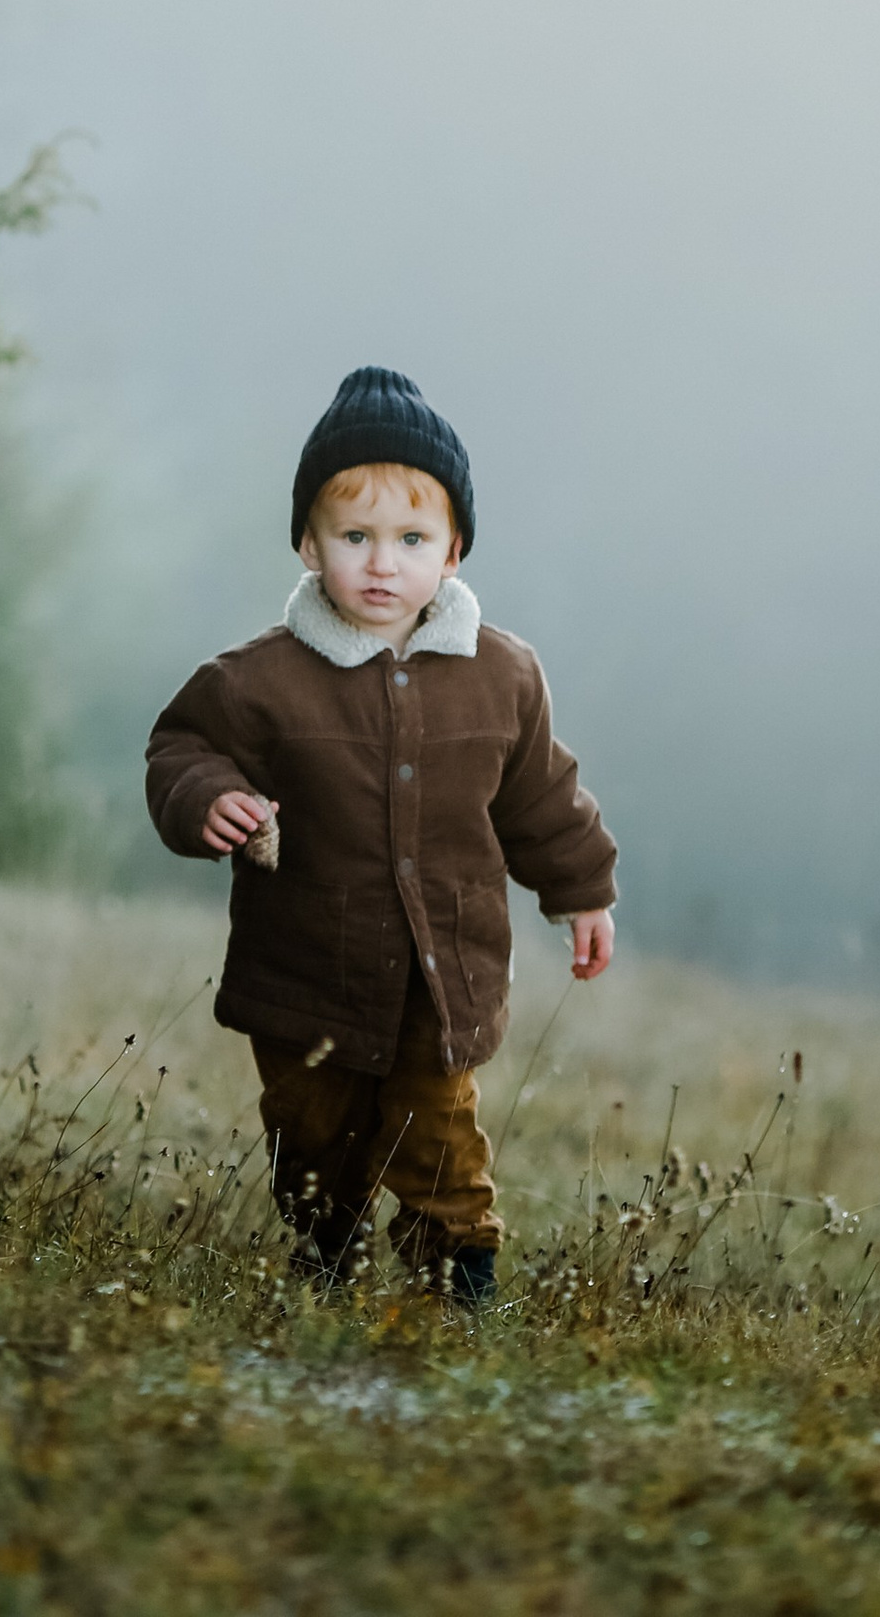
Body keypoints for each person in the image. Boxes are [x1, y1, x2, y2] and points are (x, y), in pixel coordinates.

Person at [144, 365, 618, 1309]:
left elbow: (539, 795)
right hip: (305, 974)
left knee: (439, 1136)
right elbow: (180, 747)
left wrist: (582, 891)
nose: (380, 562)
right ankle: (329, 1258)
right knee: (314, 1140)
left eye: (410, 539)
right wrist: (208, 798)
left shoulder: (502, 676)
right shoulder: (259, 680)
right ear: (309, 546)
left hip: (440, 980)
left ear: (452, 552)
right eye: (353, 536)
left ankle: (458, 1280)